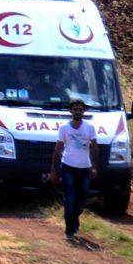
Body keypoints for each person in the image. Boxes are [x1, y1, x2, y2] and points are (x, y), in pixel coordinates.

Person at [49, 101, 100, 247]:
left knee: (82, 200)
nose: (78, 111)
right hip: (68, 167)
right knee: (70, 199)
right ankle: (69, 231)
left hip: (84, 169)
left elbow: (95, 148)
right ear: (70, 111)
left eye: (81, 109)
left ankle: (75, 219)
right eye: (76, 109)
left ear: (83, 112)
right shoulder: (64, 128)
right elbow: (58, 149)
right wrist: (54, 170)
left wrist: (94, 166)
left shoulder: (89, 128)